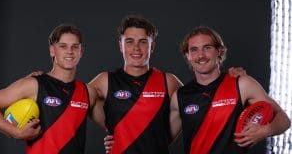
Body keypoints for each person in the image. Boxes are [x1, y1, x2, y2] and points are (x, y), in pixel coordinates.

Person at [90, 15, 246, 154]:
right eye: (129, 41)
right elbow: (74, 100)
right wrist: (115, 130)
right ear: (120, 45)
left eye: (143, 42)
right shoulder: (105, 81)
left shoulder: (169, 82)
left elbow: (204, 101)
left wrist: (230, 79)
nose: (136, 48)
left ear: (152, 46)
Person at [0, 24, 96, 154]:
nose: (70, 51)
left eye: (75, 47)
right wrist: (16, 132)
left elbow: (111, 122)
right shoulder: (34, 84)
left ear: (81, 51)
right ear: (52, 50)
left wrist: (112, 138)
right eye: (63, 46)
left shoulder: (88, 92)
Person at [169, 26, 291, 154]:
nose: (201, 55)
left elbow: (284, 120)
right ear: (188, 56)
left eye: (207, 48)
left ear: (220, 51)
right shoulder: (180, 96)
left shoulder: (242, 83)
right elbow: (161, 139)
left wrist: (265, 130)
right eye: (194, 50)